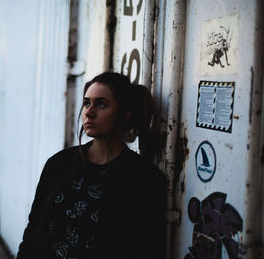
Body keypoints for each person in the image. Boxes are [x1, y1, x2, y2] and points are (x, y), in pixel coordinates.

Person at [17, 72, 166, 259]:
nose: (88, 112)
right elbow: (34, 228)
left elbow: (150, 249)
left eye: (101, 104)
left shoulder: (144, 178)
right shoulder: (59, 164)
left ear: (125, 114)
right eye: (87, 103)